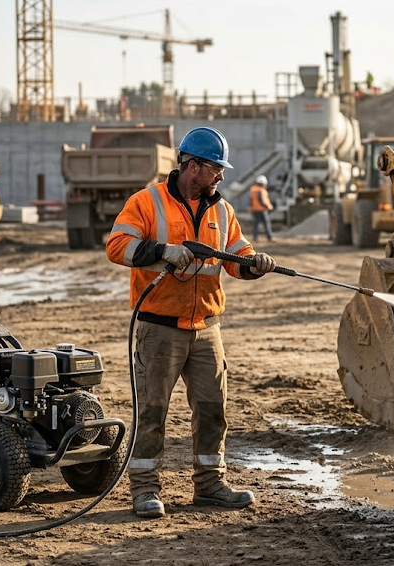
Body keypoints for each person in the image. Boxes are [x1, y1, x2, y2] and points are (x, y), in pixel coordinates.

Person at [106, 126, 277, 519]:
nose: (221, 177)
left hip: (206, 327)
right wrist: (163, 251)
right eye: (216, 169)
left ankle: (210, 486)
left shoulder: (222, 210)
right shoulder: (147, 202)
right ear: (193, 167)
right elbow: (116, 246)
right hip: (159, 327)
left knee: (213, 408)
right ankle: (145, 489)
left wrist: (254, 264)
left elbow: (236, 256)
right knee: (152, 411)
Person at [249, 174, 274, 242]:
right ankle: (269, 237)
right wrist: (268, 206)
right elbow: (261, 200)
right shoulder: (261, 190)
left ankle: (255, 238)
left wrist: (250, 207)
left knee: (256, 224)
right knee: (266, 224)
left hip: (254, 209)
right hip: (262, 210)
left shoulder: (253, 189)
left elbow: (251, 199)